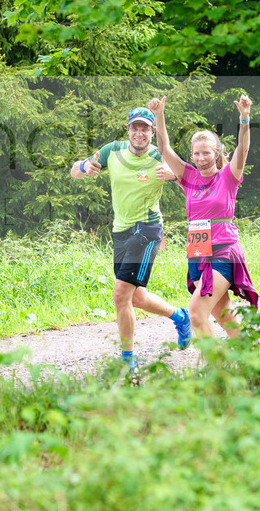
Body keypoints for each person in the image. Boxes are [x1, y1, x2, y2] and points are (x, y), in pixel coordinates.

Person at [71, 107, 191, 370]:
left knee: (120, 294)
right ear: (128, 130)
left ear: (152, 132)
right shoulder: (111, 150)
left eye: (145, 129)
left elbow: (192, 177)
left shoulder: (161, 155)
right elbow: (74, 171)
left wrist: (173, 175)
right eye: (135, 128)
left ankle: (128, 359)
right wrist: (84, 166)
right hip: (121, 230)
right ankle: (181, 316)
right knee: (136, 298)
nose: (140, 133)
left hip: (146, 230)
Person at [149, 95, 259, 338]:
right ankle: (253, 362)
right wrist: (159, 115)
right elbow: (164, 149)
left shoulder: (228, 176)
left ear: (217, 153)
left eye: (206, 153)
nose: (200, 158)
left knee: (197, 314)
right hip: (197, 253)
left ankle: (217, 372)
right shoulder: (188, 176)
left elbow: (244, 148)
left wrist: (244, 118)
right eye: (196, 154)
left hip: (223, 251)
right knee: (224, 316)